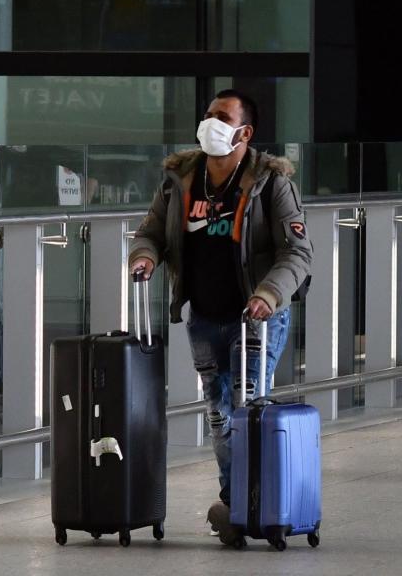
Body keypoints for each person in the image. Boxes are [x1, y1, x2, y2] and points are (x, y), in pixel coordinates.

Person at [128, 90, 313, 543]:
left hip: (256, 316)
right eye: (208, 114)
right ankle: (239, 502)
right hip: (204, 315)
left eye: (222, 117)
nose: (210, 122)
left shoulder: (271, 183)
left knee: (245, 410)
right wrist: (145, 257)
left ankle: (247, 502)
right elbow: (151, 231)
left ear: (245, 133)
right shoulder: (180, 179)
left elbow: (298, 251)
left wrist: (270, 294)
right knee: (218, 415)